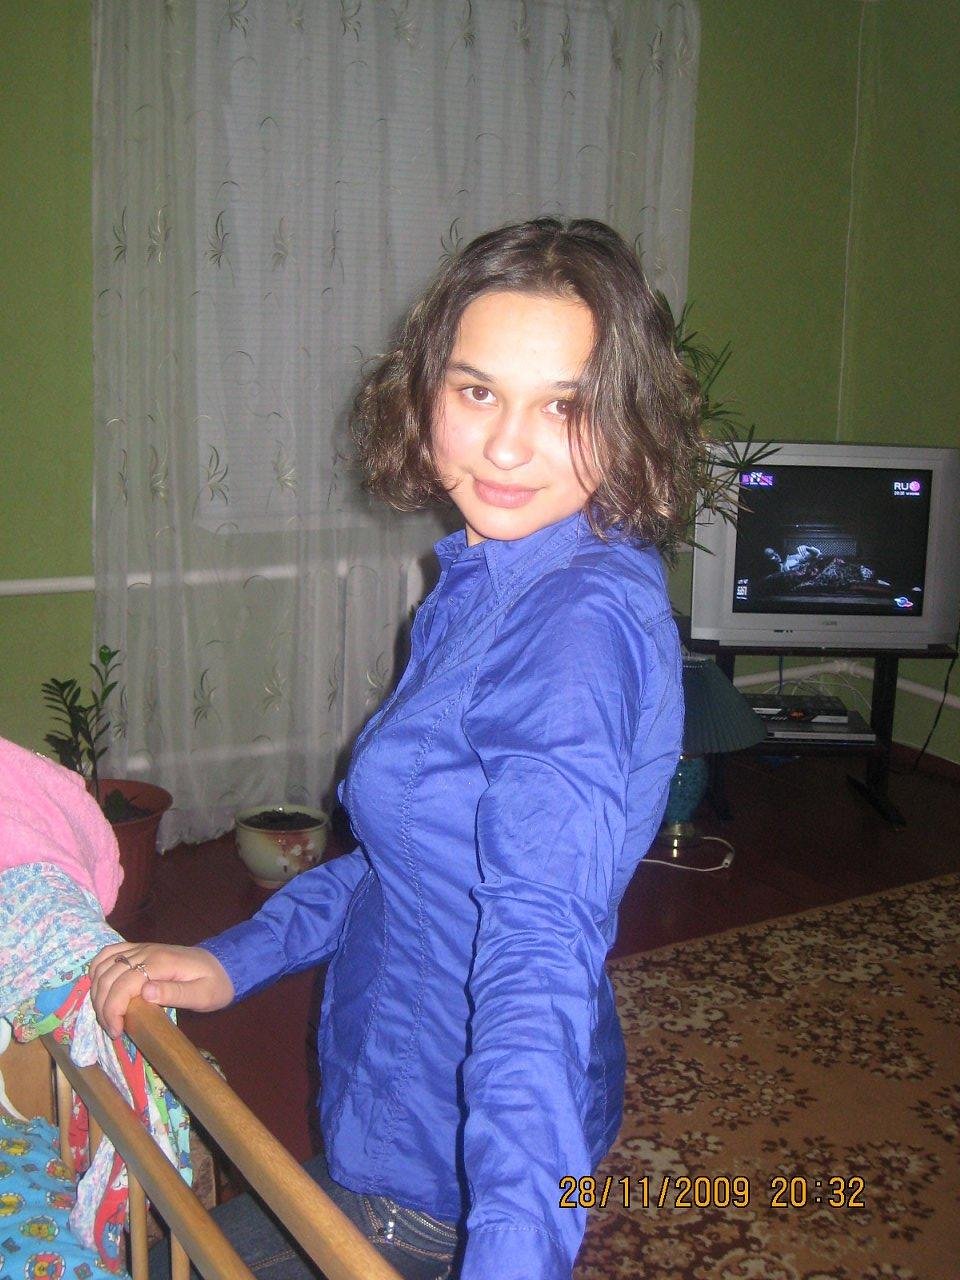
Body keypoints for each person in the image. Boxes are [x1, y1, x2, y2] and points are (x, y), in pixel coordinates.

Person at [89, 218, 701, 1280]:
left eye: (565, 405)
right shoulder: (490, 575)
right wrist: (236, 958)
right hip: (390, 1105)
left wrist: (515, 1249)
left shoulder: (576, 629)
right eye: (478, 391)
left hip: (447, 1172)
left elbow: (536, 956)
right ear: (427, 394)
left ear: (629, 418)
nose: (506, 446)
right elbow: (406, 860)